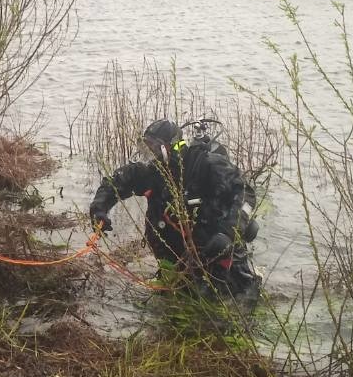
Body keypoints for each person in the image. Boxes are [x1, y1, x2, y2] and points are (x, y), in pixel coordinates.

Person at [88, 118, 261, 303]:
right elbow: (116, 182)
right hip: (175, 257)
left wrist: (228, 233)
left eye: (154, 147)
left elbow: (245, 195)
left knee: (238, 301)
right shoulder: (153, 172)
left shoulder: (206, 164)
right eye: (147, 148)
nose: (150, 153)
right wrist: (99, 209)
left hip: (217, 249)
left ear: (170, 146)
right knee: (174, 302)